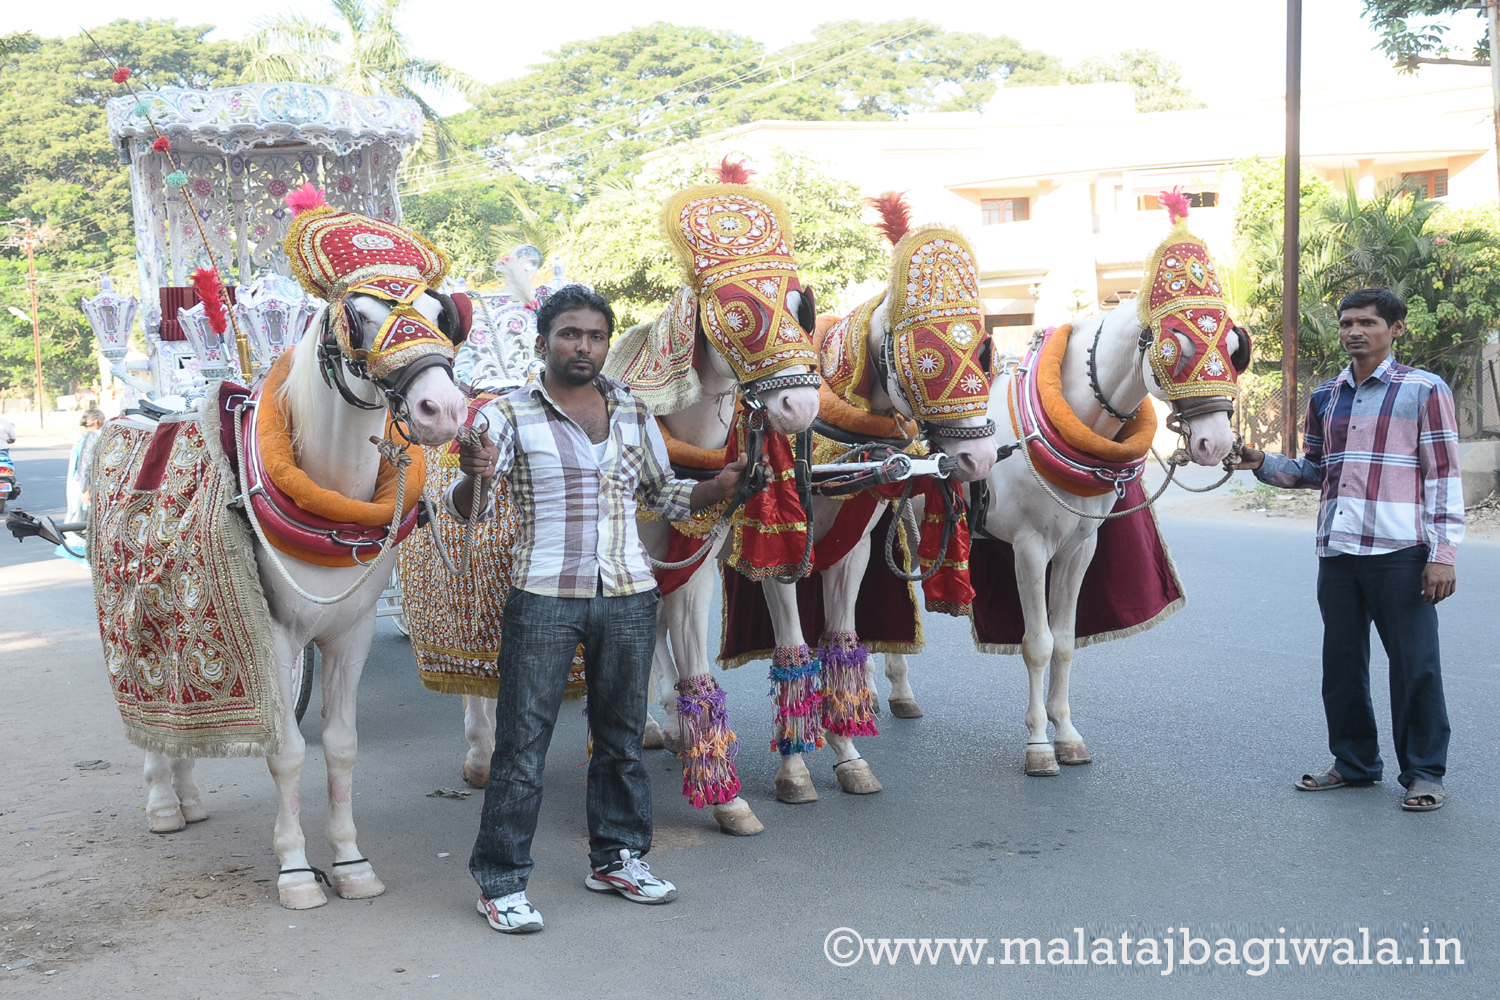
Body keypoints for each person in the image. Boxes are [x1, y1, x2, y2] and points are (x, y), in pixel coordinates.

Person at [448, 284, 751, 933]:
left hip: (628, 596)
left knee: (619, 741)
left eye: (593, 336)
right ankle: (500, 882)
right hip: (543, 600)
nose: (582, 345)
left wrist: (716, 488)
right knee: (522, 747)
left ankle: (616, 858)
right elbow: (467, 510)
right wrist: (475, 472)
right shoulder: (506, 417)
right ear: (543, 343)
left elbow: (665, 496)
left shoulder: (634, 412)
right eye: (569, 334)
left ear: (605, 344)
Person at [1235, 288, 1462, 812]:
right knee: (1342, 664)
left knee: (1415, 665)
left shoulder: (1424, 390)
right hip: (1337, 550)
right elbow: (1316, 471)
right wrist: (1258, 460)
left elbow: (1444, 477)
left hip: (1401, 552)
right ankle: (1355, 763)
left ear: (1396, 330)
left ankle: (1424, 773)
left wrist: (1442, 554)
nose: (1354, 331)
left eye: (1367, 322)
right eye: (1346, 323)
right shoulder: (1326, 396)